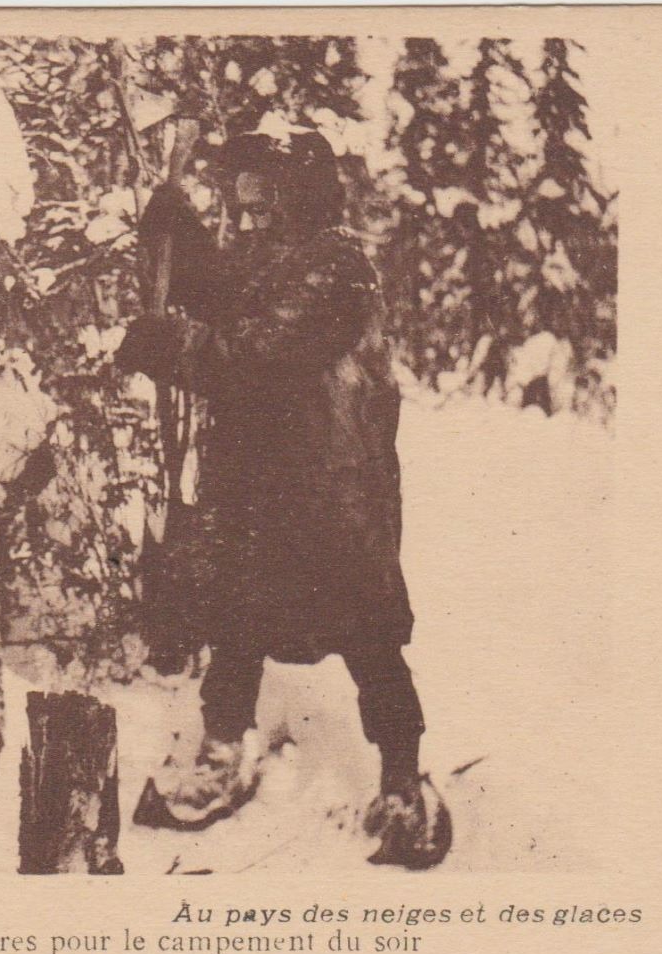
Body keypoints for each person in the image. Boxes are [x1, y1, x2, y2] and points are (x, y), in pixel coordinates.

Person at [115, 130, 450, 869]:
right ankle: (221, 755)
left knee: (368, 638)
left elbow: (256, 356)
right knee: (235, 626)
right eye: (243, 210)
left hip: (331, 492)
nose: (250, 221)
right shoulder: (274, 262)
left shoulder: (335, 268)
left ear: (298, 200)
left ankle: (402, 783)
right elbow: (216, 286)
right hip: (260, 490)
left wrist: (166, 346)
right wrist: (177, 225)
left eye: (263, 207)